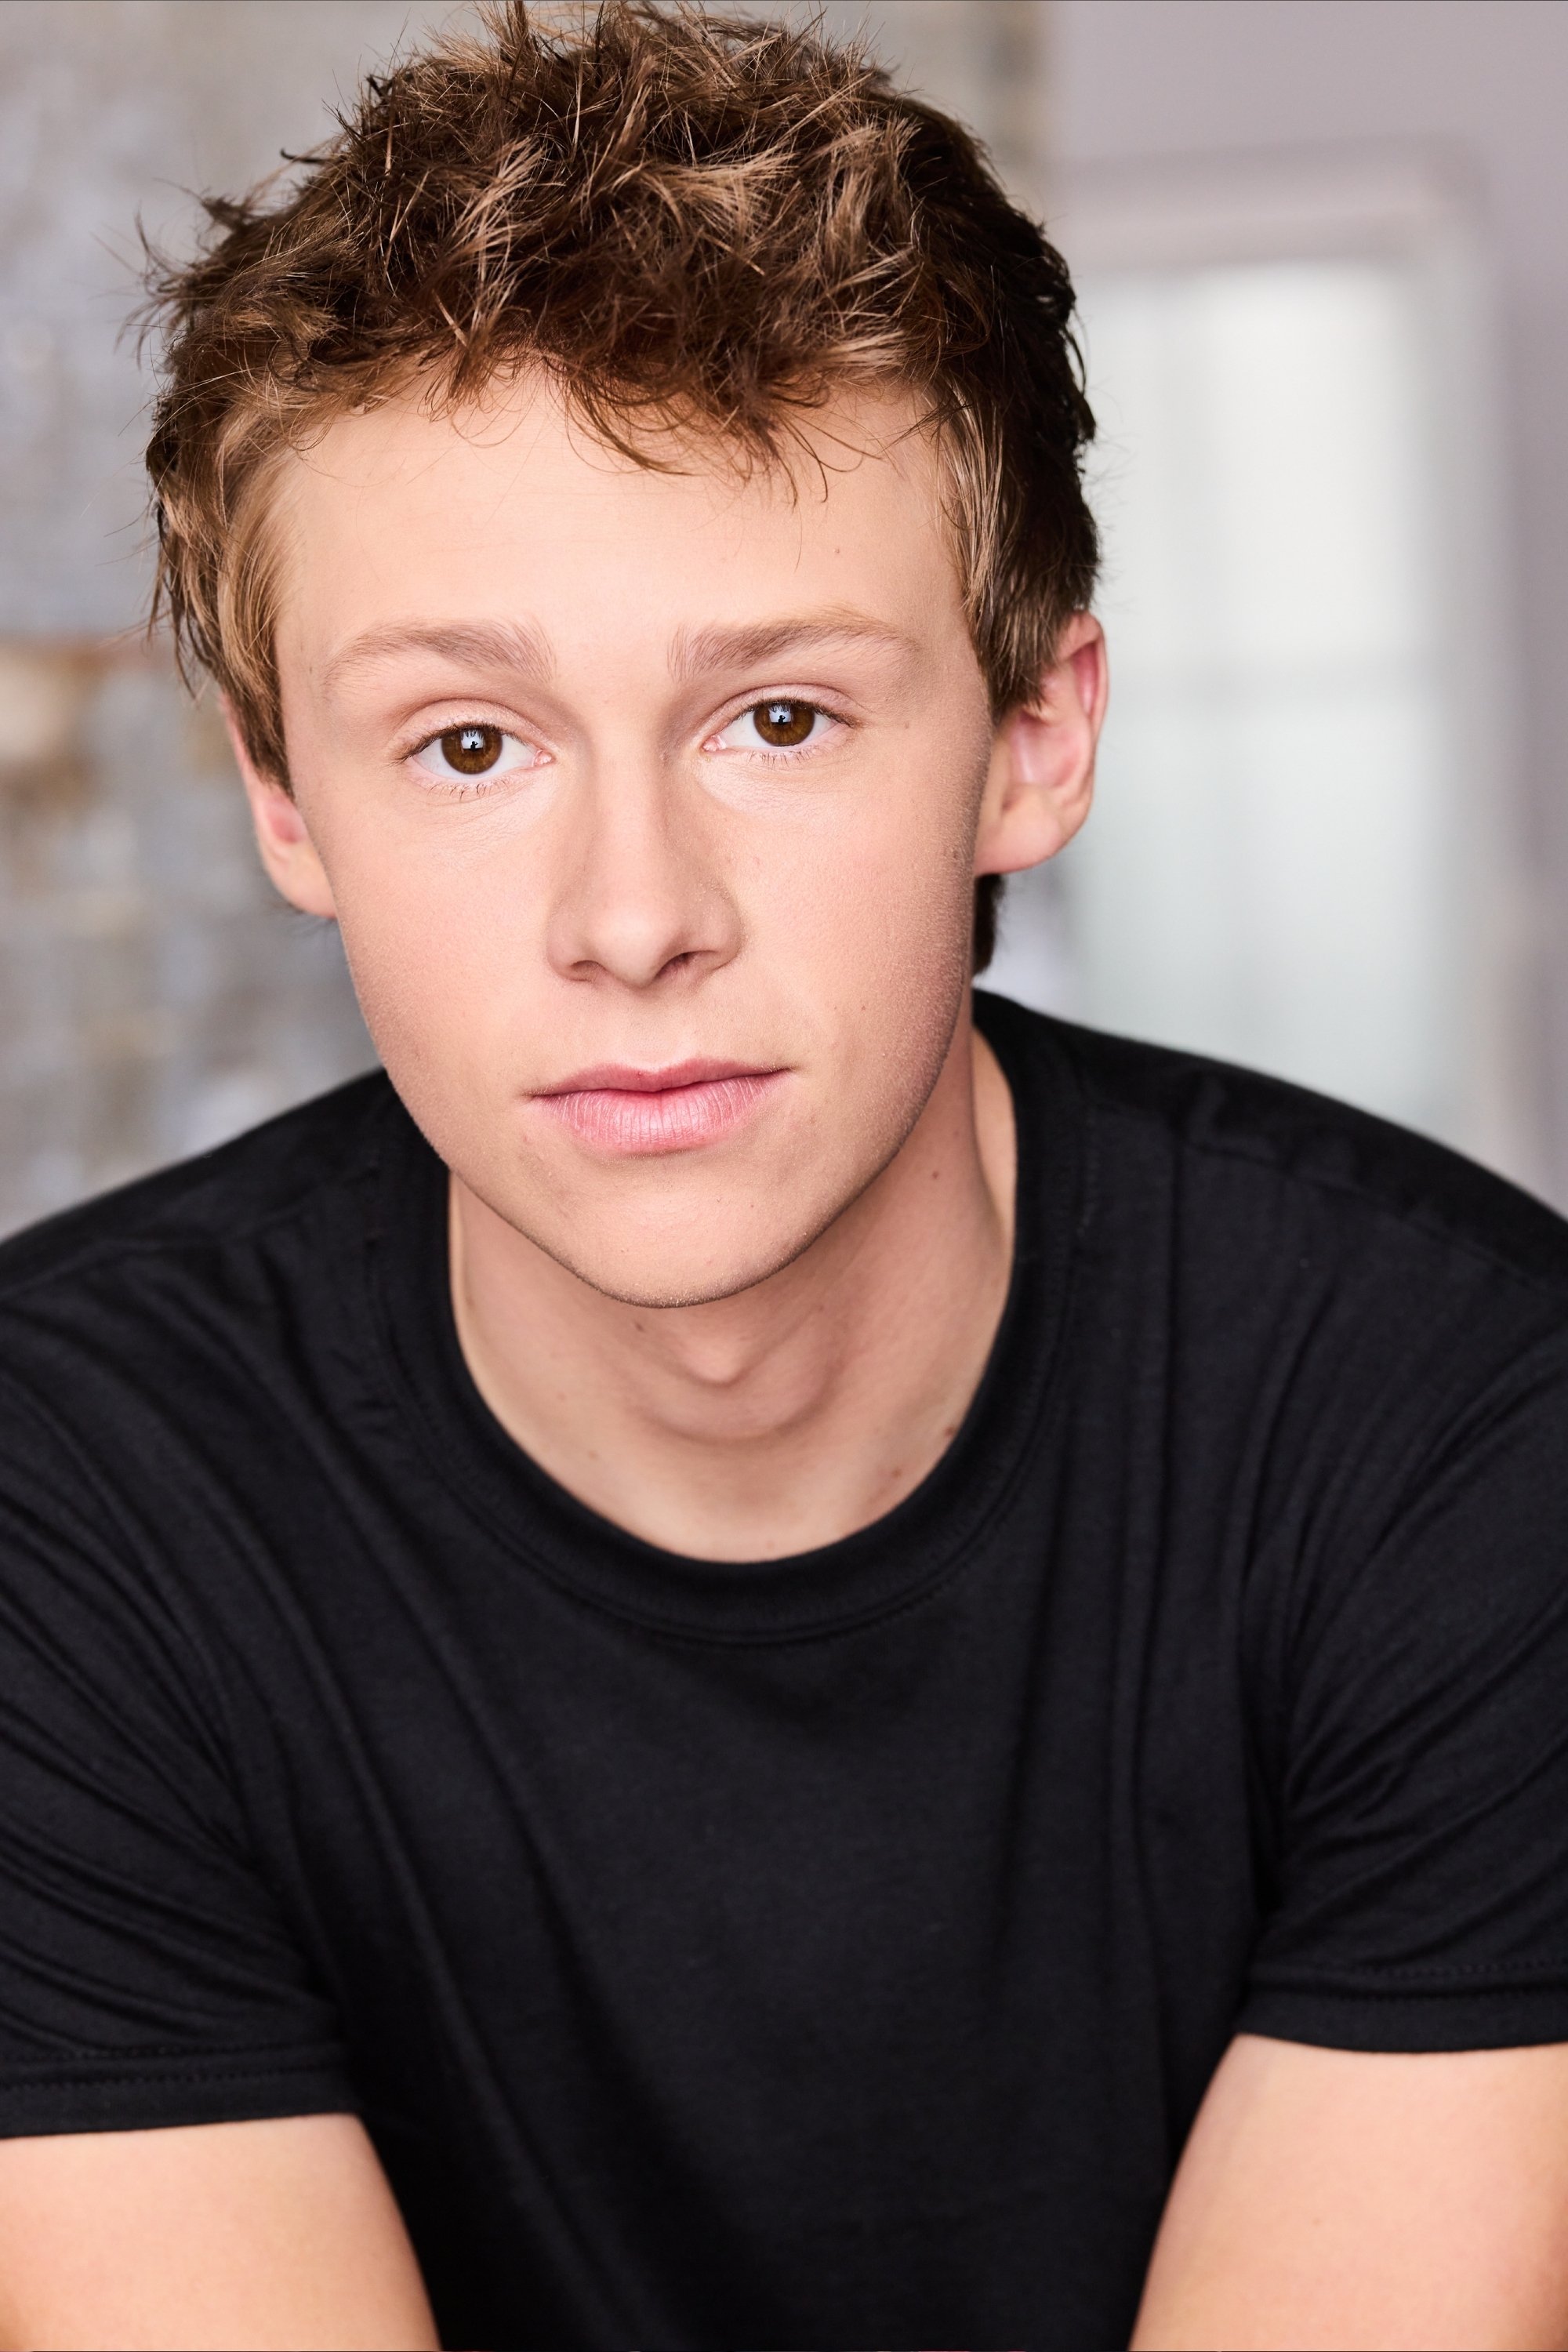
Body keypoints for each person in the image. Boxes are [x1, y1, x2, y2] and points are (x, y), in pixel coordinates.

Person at [1, 4, 1567, 2346]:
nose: (634, 918)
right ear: (286, 802)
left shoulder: (1472, 1430)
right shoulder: (61, 1506)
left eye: (780, 716)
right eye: (468, 744)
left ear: (1033, 739)